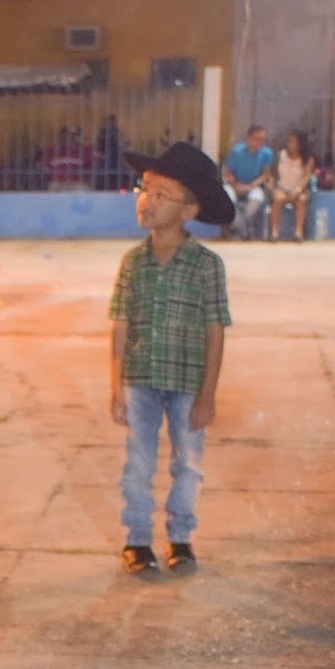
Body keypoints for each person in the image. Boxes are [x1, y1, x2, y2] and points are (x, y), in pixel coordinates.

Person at [109, 141, 234, 575]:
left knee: (189, 464)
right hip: (140, 379)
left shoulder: (207, 265)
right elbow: (120, 324)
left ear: (189, 209)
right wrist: (116, 386)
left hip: (188, 382)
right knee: (138, 464)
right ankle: (138, 541)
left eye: (161, 194)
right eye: (145, 189)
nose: (147, 200)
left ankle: (181, 538)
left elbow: (215, 329)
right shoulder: (132, 263)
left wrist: (208, 394)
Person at [221, 124, 274, 239]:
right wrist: (236, 186)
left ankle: (239, 226)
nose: (260, 142)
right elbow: (228, 172)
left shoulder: (266, 153)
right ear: (249, 138)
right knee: (227, 195)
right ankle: (243, 231)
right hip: (235, 185)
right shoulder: (236, 151)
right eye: (257, 139)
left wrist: (250, 186)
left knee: (257, 197)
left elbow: (265, 174)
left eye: (262, 140)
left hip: (253, 186)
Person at [270, 129, 315, 241]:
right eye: (289, 141)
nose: (290, 143)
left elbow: (306, 177)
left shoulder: (307, 159)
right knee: (277, 199)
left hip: (299, 190)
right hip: (282, 188)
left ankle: (298, 233)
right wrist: (272, 188)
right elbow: (272, 174)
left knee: (301, 200)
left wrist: (298, 190)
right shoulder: (280, 155)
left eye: (294, 141)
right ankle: (274, 233)